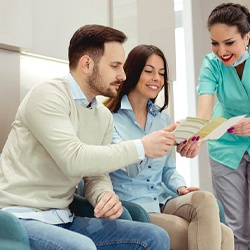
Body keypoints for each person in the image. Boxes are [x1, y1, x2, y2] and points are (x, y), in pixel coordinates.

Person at [0, 24, 171, 250]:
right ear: (87, 64)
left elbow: (95, 175)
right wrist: (141, 147)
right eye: (115, 66)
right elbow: (73, 159)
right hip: (21, 218)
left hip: (65, 218)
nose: (123, 75)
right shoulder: (48, 96)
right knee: (82, 247)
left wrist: (103, 196)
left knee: (155, 237)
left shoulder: (102, 116)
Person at [104, 44, 234, 250]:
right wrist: (156, 142)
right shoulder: (110, 119)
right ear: (132, 72)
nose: (157, 78)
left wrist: (180, 187)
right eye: (149, 71)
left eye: (161, 73)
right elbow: (130, 167)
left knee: (206, 200)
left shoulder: (162, 118)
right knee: (221, 235)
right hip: (134, 207)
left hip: (163, 201)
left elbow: (168, 170)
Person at [196, 3, 250, 249]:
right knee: (233, 227)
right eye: (214, 43)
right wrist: (193, 136)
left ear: (247, 36)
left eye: (229, 43)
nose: (221, 51)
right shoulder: (211, 64)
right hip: (226, 147)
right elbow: (204, 112)